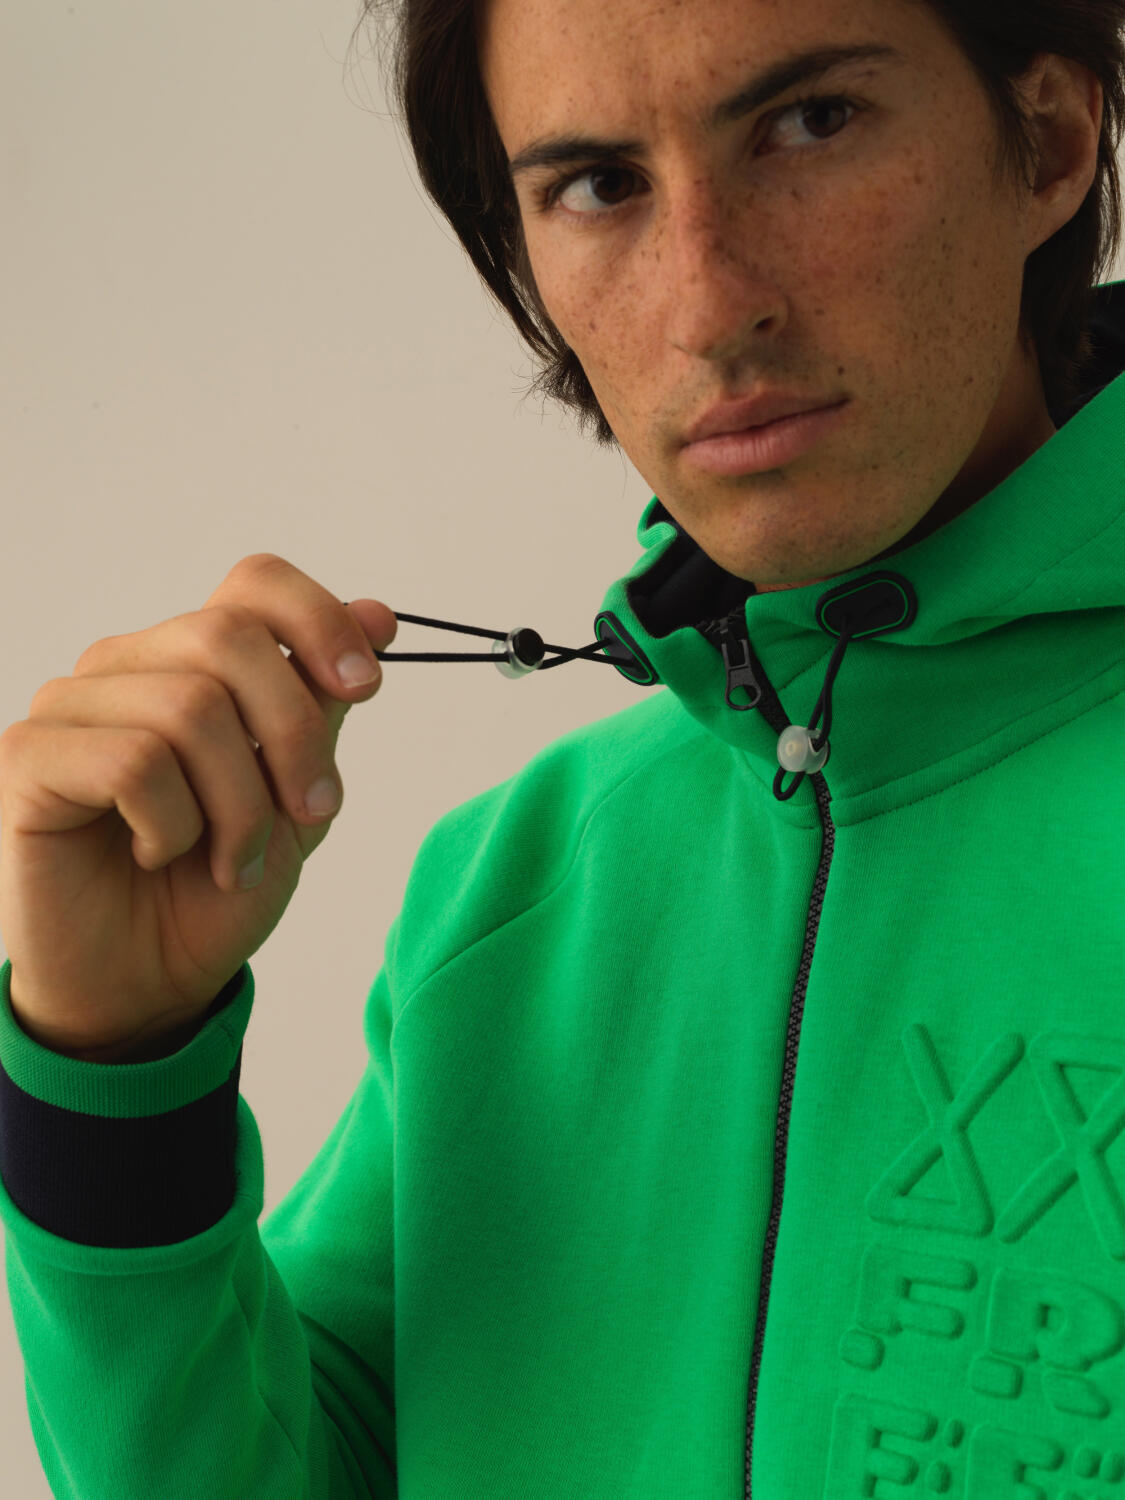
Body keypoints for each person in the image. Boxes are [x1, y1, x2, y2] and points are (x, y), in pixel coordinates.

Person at [1, 0, 1123, 1494]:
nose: (707, 304)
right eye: (598, 184)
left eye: (810, 124)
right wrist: (113, 1064)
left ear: (1048, 138)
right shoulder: (512, 889)